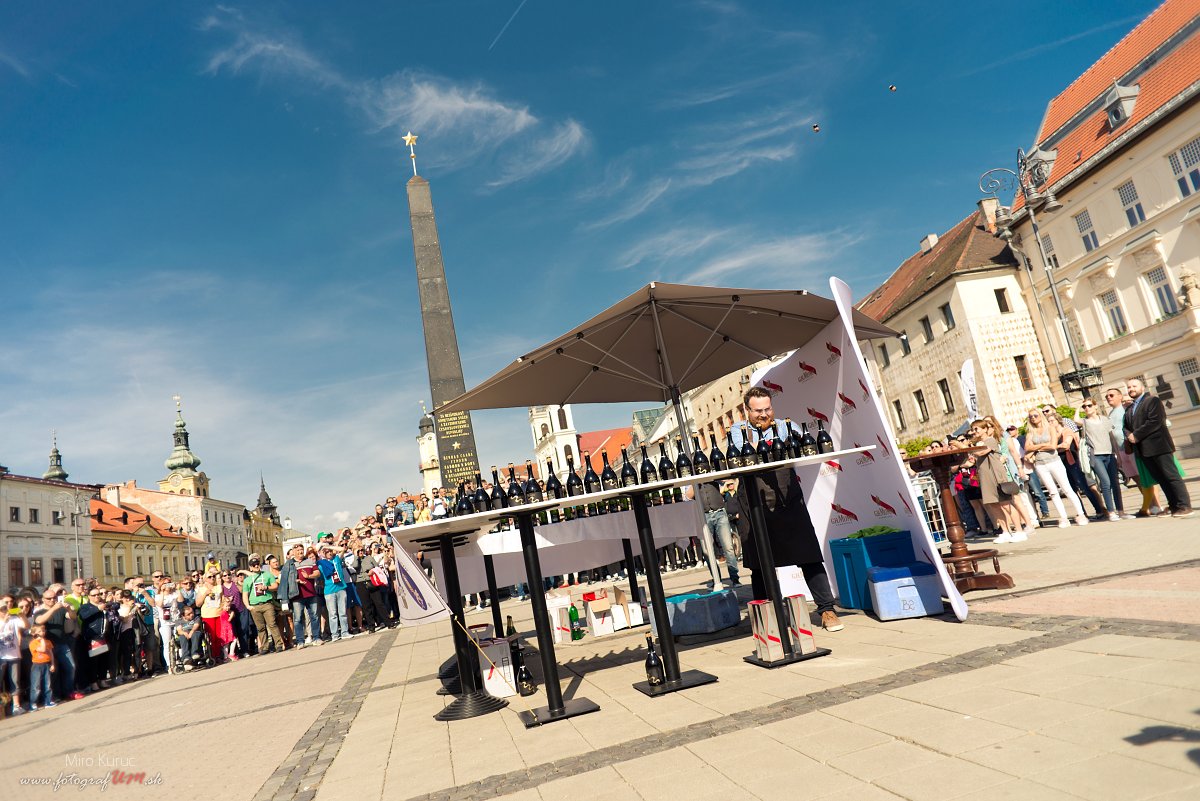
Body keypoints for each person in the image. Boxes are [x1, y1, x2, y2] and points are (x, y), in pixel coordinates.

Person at [729, 387, 843, 632]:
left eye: (767, 409)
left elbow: (805, 444)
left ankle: (827, 610)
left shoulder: (785, 426)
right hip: (754, 502)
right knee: (760, 563)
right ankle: (767, 617)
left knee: (808, 554)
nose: (764, 414)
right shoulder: (738, 432)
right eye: (758, 410)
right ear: (747, 410)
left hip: (788, 499)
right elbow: (739, 454)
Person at [1124, 377, 1194, 518]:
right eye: (1129, 387)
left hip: (1159, 446)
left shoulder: (1152, 401)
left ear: (1142, 388)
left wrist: (1136, 435)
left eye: (1134, 386)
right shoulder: (1130, 408)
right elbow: (1126, 426)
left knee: (1171, 476)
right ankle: (1174, 505)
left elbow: (1155, 421)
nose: (1131, 389)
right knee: (1161, 478)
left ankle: (1184, 505)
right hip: (1143, 450)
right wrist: (1129, 434)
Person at [1023, 408, 1088, 527]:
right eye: (1031, 416)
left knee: (1067, 489)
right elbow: (1027, 447)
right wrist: (1043, 445)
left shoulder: (1050, 428)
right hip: (1040, 464)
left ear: (1040, 416)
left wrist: (1036, 447)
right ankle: (1063, 517)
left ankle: (1081, 514)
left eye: (1035, 415)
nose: (1033, 418)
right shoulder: (1030, 432)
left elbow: (1053, 446)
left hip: (1054, 461)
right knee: (1053, 492)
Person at [969, 418, 1026, 543]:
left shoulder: (991, 440)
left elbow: (981, 452)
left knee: (1006, 504)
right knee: (993, 505)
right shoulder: (978, 443)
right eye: (972, 429)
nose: (974, 432)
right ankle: (1005, 531)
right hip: (986, 478)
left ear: (985, 429)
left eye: (976, 429)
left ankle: (1019, 530)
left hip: (997, 477)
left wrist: (967, 446)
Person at [33, 583, 83, 701]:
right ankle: (53, 695)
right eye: (49, 598)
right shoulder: (39, 611)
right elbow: (40, 621)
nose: (52, 600)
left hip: (61, 643)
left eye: (54, 598)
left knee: (71, 667)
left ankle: (69, 692)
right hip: (47, 646)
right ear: (43, 599)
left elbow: (72, 617)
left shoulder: (60, 610)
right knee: (52, 672)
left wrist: (69, 609)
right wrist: (53, 609)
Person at [1080, 398, 1124, 520]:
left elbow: (1112, 438)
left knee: (1115, 483)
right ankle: (1111, 512)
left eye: (1089, 405)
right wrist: (1079, 408)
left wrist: (1118, 455)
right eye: (1084, 407)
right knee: (1105, 482)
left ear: (1095, 407)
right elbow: (1075, 420)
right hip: (1096, 456)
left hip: (1109, 454)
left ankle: (1121, 511)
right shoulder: (1084, 421)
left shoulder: (1105, 420)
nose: (1086, 408)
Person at [697, 477, 742, 587]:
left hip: (720, 513)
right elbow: (688, 496)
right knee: (707, 550)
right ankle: (716, 579)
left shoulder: (708, 472)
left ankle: (735, 578)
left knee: (728, 547)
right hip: (703, 516)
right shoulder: (693, 480)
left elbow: (728, 478)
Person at [242, 554, 285, 653]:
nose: (256, 566)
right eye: (254, 565)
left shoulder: (267, 575)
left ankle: (278, 644)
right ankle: (265, 647)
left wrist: (266, 587)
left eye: (257, 564)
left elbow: (275, 586)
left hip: (267, 603)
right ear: (250, 567)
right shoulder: (247, 580)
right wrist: (248, 606)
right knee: (260, 628)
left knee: (272, 624)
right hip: (255, 606)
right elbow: (245, 595)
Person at [317, 544, 350, 641]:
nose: (329, 553)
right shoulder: (322, 563)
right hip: (329, 591)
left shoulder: (336, 559)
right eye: (326, 552)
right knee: (332, 614)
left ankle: (345, 632)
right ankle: (335, 634)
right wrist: (323, 551)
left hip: (341, 588)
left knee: (343, 612)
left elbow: (342, 549)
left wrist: (329, 547)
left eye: (330, 551)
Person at [1, 594, 27, 714]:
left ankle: (16, 706)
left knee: (14, 681)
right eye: (5, 603)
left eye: (11, 602)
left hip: (13, 653)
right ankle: (2, 707)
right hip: (1, 655)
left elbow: (27, 626)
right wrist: (3, 622)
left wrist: (22, 615)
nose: (9, 605)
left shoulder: (14, 618)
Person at [28, 623, 55, 710]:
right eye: (39, 631)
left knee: (48, 684)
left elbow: (51, 653)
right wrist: (41, 640)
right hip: (37, 665)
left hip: (46, 664)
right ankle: (33, 703)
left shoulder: (48, 642)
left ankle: (48, 701)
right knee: (36, 686)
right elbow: (42, 649)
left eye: (43, 630)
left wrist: (53, 664)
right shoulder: (33, 643)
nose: (42, 632)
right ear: (34, 634)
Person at [175, 605, 204, 669]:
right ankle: (186, 657)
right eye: (188, 614)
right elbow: (179, 630)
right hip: (185, 635)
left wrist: (191, 632)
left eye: (192, 613)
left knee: (196, 633)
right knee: (182, 636)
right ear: (183, 616)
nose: (192, 615)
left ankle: (194, 653)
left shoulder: (196, 618)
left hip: (195, 633)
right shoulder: (179, 621)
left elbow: (196, 626)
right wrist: (184, 633)